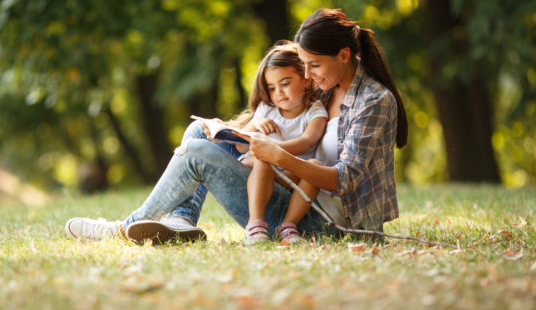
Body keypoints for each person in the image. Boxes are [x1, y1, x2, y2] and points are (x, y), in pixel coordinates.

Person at [64, 8, 408, 244]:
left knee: (197, 152)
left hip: (324, 221)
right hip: (291, 190)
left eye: (312, 65)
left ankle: (122, 229)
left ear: (345, 55)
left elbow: (346, 178)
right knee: (201, 132)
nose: (306, 75)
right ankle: (182, 220)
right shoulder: (325, 83)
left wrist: (279, 156)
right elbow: (280, 113)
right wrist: (235, 130)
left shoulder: (373, 101)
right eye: (303, 65)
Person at [226, 43, 327, 244]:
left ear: (306, 80)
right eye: (272, 88)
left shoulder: (315, 111)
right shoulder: (267, 109)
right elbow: (240, 146)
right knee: (265, 160)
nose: (278, 92)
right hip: (257, 166)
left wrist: (276, 151)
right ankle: (255, 226)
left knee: (315, 167)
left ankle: (288, 227)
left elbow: (307, 142)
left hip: (289, 172)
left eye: (285, 83)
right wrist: (255, 123)